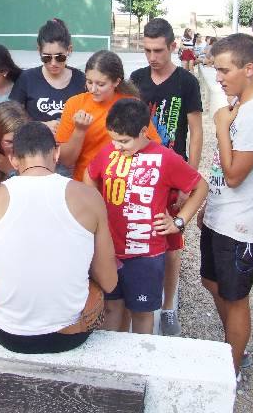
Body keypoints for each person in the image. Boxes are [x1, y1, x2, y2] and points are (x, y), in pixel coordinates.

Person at [0, 122, 118, 354]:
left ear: (14, 159)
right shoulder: (89, 197)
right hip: (70, 336)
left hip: (8, 334)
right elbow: (108, 281)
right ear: (56, 153)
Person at [84, 99, 208, 335]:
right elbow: (91, 173)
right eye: (113, 138)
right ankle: (113, 364)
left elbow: (200, 186)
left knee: (142, 314)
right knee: (111, 308)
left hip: (145, 255)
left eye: (124, 141)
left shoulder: (165, 158)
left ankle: (141, 365)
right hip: (110, 249)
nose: (117, 146)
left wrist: (179, 222)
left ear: (143, 132)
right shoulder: (110, 151)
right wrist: (95, 206)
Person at [201, 33, 253, 378]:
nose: (218, 78)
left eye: (224, 70)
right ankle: (234, 348)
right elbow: (223, 174)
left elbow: (234, 175)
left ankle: (230, 370)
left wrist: (220, 126)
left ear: (248, 69)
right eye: (216, 70)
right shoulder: (240, 107)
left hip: (243, 226)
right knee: (211, 281)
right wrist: (211, 203)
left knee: (236, 299)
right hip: (222, 216)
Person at [129, 18, 203, 336]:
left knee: (172, 244)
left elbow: (196, 132)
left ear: (172, 47)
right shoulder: (136, 79)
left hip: (173, 174)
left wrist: (190, 179)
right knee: (138, 236)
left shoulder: (186, 82)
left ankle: (168, 306)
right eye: (146, 50)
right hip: (142, 173)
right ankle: (137, 298)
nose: (152, 57)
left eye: (158, 50)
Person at [56, 50, 160, 182]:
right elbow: (66, 160)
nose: (93, 89)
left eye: (100, 84)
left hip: (123, 185)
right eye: (89, 82)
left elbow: (154, 148)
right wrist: (79, 130)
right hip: (86, 186)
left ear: (116, 82)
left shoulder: (131, 104)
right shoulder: (74, 104)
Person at [9, 18, 86, 135]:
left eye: (60, 57)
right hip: (35, 147)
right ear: (39, 50)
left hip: (71, 147)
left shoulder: (81, 80)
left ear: (69, 50)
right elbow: (11, 118)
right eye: (47, 57)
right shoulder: (27, 78)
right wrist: (40, 126)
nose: (53, 63)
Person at [0, 101, 30, 182]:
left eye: (21, 139)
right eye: (9, 142)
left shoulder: (34, 151)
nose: (16, 146)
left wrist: (11, 171)